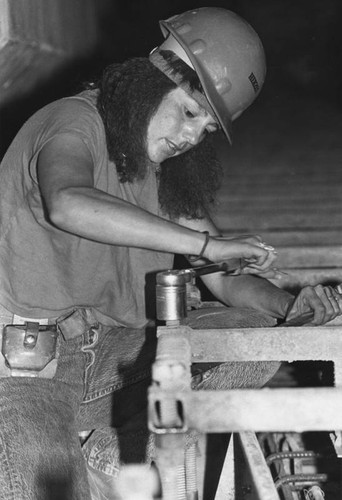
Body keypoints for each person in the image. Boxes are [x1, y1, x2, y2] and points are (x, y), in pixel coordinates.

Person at [0, 6, 340, 500]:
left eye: (204, 129)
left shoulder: (159, 170)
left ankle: (114, 456)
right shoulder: (73, 121)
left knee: (257, 333)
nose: (189, 137)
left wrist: (293, 308)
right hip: (30, 367)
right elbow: (67, 203)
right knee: (47, 491)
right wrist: (206, 244)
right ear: (152, 79)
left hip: (110, 355)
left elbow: (221, 278)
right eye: (188, 111)